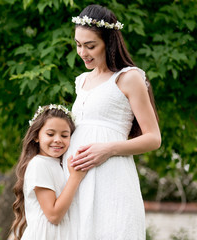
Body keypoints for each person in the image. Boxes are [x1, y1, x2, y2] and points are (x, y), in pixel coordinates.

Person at [63, 4, 161, 240]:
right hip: (76, 180)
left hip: (112, 177)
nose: (83, 53)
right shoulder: (81, 81)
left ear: (109, 42)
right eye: (78, 45)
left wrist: (107, 149)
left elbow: (153, 138)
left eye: (90, 46)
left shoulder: (129, 78)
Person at [11, 104, 86, 240]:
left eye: (64, 135)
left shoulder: (58, 164)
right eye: (50, 134)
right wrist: (75, 178)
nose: (57, 139)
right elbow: (53, 215)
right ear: (36, 136)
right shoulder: (39, 164)